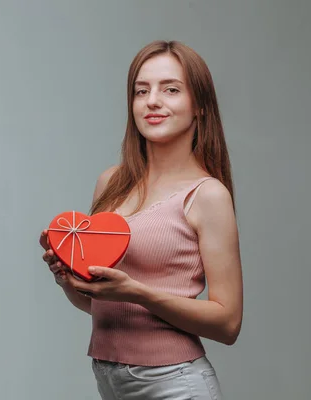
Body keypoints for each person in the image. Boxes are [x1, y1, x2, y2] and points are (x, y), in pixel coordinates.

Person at [39, 40, 243, 400]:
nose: (152, 101)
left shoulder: (207, 195)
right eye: (141, 90)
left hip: (174, 384)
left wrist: (138, 292)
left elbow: (228, 324)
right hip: (110, 380)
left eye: (171, 89)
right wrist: (67, 279)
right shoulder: (111, 183)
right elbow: (101, 304)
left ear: (200, 107)